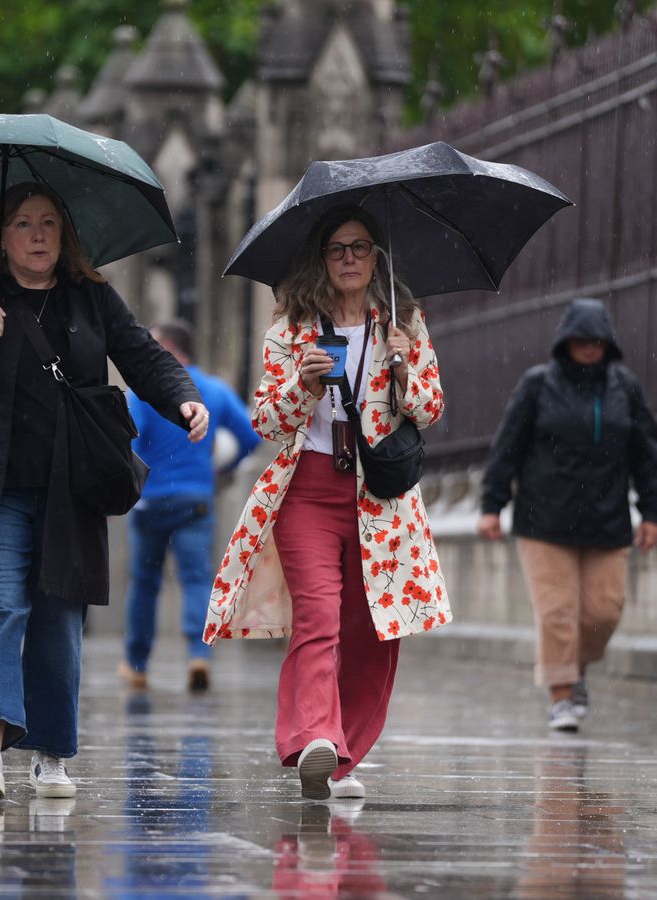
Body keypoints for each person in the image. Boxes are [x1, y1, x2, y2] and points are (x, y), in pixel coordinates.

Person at [0, 181, 208, 803]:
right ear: (1, 237)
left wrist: (183, 397)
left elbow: (143, 356)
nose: (38, 235)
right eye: (24, 223)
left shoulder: (92, 297)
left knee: (58, 621)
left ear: (65, 233)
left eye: (49, 222)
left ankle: (50, 756)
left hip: (69, 490)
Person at [202, 206, 452, 801]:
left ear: (377, 257)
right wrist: (305, 384)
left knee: (373, 633)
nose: (348, 259)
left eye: (360, 247)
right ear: (320, 259)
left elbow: (430, 410)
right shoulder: (291, 328)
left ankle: (343, 758)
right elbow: (267, 420)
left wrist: (402, 367)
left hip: (380, 498)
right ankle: (315, 737)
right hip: (308, 490)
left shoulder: (404, 321)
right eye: (336, 249)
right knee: (318, 617)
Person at [476, 297, 657, 731]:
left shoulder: (625, 388)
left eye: (596, 340)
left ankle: (574, 669)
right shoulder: (537, 385)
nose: (589, 347)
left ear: (608, 344)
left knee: (604, 613)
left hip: (607, 519)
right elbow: (507, 447)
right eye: (581, 340)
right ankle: (561, 695)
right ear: (565, 341)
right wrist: (492, 505)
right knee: (557, 612)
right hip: (544, 519)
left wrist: (651, 513)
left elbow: (647, 454)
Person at [118, 320, 262, 692]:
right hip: (195, 499)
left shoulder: (144, 392)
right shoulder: (213, 390)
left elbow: (129, 440)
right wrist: (221, 468)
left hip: (150, 501)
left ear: (169, 348)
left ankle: (137, 664)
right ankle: (199, 657)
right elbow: (250, 435)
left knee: (145, 584)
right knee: (196, 578)